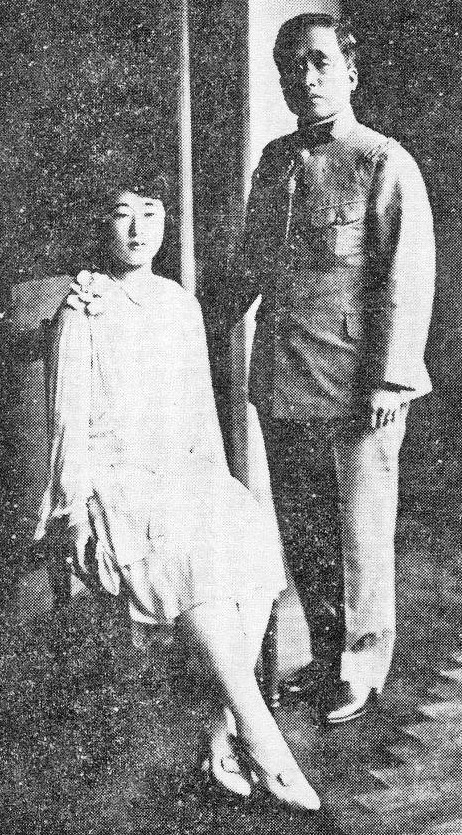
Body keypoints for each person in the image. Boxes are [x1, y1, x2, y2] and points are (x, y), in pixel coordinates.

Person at [35, 170, 320, 811]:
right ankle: (267, 743)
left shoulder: (179, 303)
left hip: (178, 467)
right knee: (191, 548)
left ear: (165, 222)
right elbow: (68, 417)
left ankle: (224, 732)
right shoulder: (85, 304)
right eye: (121, 213)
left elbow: (198, 412)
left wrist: (216, 481)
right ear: (101, 224)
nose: (138, 229)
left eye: (151, 212)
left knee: (242, 527)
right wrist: (74, 507)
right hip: (116, 477)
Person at [213, 13, 435, 723]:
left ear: (349, 71)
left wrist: (389, 380)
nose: (302, 78)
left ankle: (361, 668)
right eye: (290, 67)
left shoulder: (381, 161)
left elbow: (407, 278)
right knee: (306, 529)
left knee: (359, 534)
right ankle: (326, 652)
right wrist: (184, 316)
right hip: (282, 380)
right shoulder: (276, 159)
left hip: (353, 387)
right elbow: (248, 263)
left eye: (316, 63)